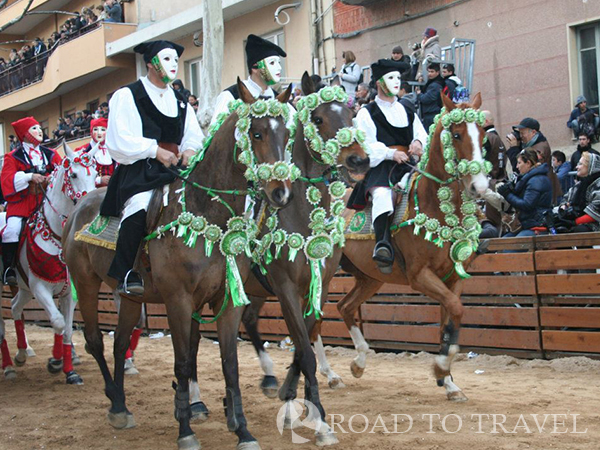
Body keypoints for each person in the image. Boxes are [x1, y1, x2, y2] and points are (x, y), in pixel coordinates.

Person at [101, 40, 204, 296]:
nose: (173, 65)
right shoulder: (128, 95)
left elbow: (193, 135)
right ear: (150, 63)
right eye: (166, 59)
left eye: (175, 60)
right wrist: (154, 151)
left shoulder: (181, 101)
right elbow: (119, 139)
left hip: (177, 169)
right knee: (141, 205)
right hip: (141, 171)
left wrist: (190, 150)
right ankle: (126, 271)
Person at [347, 59, 428, 273]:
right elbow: (366, 145)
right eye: (391, 78)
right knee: (383, 195)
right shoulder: (367, 112)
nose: (396, 82)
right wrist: (391, 153)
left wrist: (418, 143)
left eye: (398, 78)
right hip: (382, 167)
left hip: (410, 164)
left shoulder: (407, 109)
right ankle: (382, 244)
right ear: (380, 83)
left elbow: (421, 132)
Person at [0, 117, 62, 285]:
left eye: (39, 128)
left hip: (46, 202)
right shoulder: (12, 157)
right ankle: (9, 269)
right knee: (11, 231)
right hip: (22, 204)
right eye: (34, 128)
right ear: (25, 134)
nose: (39, 131)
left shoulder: (51, 153)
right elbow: (6, 180)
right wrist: (29, 176)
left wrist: (50, 178)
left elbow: (62, 172)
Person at [211, 34, 288, 124]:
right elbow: (215, 133)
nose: (279, 68)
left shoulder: (279, 100)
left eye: (279, 63)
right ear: (254, 68)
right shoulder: (231, 97)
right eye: (272, 63)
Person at [497, 149, 552, 237]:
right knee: (503, 241)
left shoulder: (537, 180)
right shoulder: (528, 178)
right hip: (527, 224)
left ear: (528, 163)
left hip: (537, 225)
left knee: (510, 247)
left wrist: (508, 194)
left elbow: (527, 205)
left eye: (519, 163)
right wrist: (510, 190)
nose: (517, 166)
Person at [506, 117, 561, 204]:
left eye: (522, 133)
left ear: (533, 132)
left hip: (542, 194)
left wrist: (514, 148)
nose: (520, 136)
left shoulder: (539, 149)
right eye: (519, 133)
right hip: (539, 190)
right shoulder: (531, 145)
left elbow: (524, 168)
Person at [557, 152, 600, 233]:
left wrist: (574, 222)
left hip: (595, 225)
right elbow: (566, 198)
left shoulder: (598, 185)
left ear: (590, 166)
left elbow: (595, 213)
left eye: (580, 164)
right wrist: (564, 206)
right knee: (558, 227)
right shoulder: (580, 185)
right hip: (578, 221)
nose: (577, 167)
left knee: (577, 230)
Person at [75, 118, 116, 187]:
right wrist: (99, 180)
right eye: (96, 129)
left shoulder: (114, 150)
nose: (99, 133)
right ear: (91, 132)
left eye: (103, 130)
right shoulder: (83, 151)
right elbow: (78, 175)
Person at [417, 62, 444, 129]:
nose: (429, 74)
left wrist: (419, 94)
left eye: (432, 72)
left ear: (437, 73)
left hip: (432, 114)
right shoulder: (433, 83)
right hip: (431, 113)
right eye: (428, 72)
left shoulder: (435, 85)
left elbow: (425, 99)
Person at [482, 111, 506, 180]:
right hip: (500, 178)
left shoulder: (487, 137)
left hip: (491, 181)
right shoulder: (495, 136)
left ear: (486, 121)